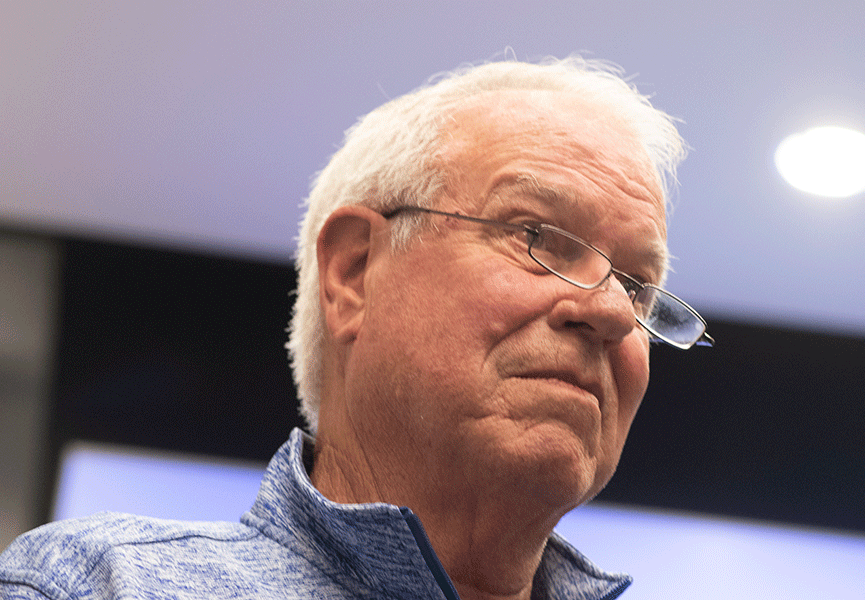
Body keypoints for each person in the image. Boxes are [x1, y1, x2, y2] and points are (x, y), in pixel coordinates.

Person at [0, 56, 711, 599]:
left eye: (638, 286)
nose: (614, 312)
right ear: (354, 272)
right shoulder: (97, 585)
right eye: (538, 236)